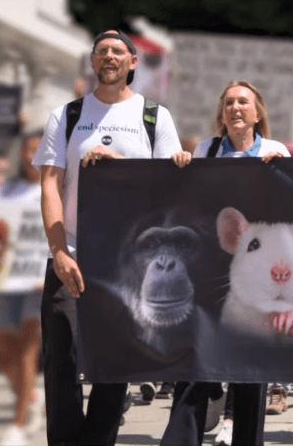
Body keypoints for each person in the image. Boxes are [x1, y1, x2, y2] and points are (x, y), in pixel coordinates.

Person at [34, 30, 184, 446]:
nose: (109, 57)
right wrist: (59, 251)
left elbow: (165, 188)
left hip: (128, 259)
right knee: (61, 355)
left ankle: (97, 440)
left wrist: (119, 164)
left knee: (115, 360)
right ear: (93, 62)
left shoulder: (155, 117)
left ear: (133, 62)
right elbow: (50, 185)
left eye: (118, 51)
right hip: (73, 253)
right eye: (101, 52)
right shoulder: (66, 115)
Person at [171, 80, 290, 446]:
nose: (236, 108)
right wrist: (182, 167)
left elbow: (290, 211)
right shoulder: (205, 151)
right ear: (221, 114)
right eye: (229, 103)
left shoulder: (275, 151)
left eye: (243, 102)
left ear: (257, 113)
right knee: (195, 363)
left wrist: (284, 174)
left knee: (251, 366)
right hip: (210, 273)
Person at [0, 132, 46, 445]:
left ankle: (18, 424)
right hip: (4, 280)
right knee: (4, 355)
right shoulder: (6, 190)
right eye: (27, 150)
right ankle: (31, 397)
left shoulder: (56, 188)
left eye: (37, 150)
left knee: (27, 349)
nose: (31, 155)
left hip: (36, 282)